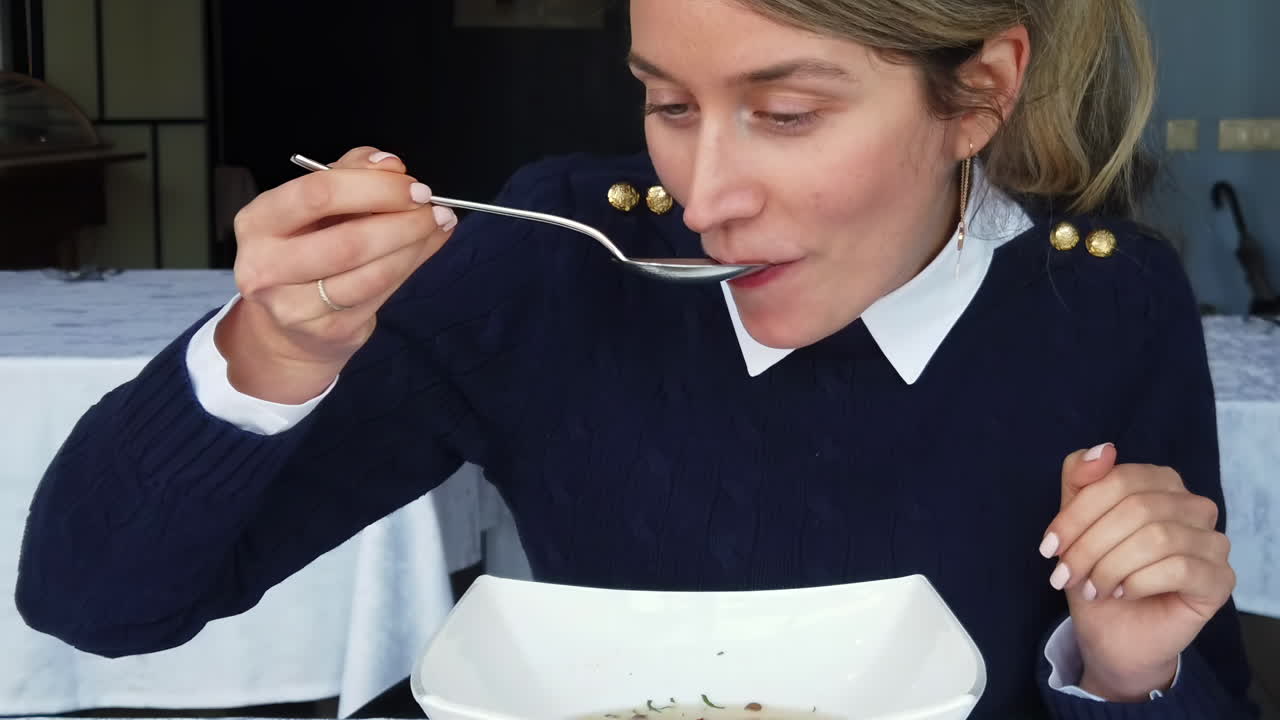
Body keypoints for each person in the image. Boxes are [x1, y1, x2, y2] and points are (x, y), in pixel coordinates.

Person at [16, 0, 1259, 717]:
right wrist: (265, 353)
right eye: (667, 103)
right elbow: (99, 605)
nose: (705, 194)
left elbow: (1181, 677)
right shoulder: (548, 263)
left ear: (981, 87)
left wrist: (1120, 671)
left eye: (783, 114)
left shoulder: (1099, 298)